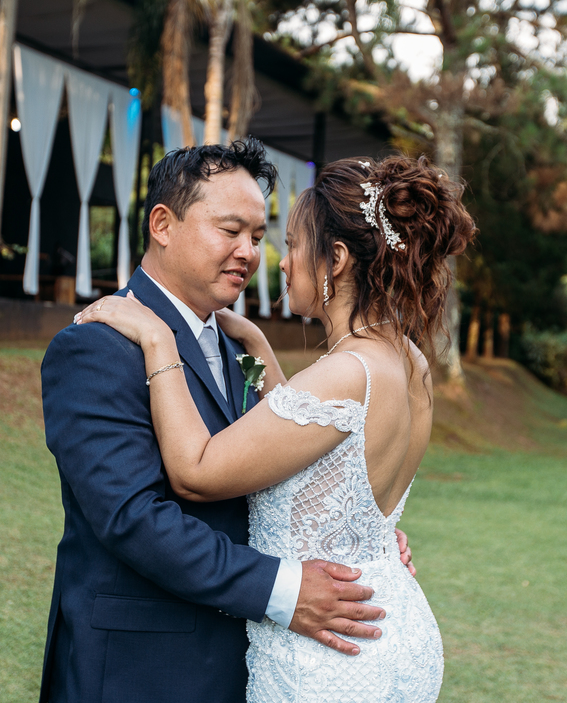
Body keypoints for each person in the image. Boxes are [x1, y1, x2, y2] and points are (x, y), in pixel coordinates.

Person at [79, 153, 477, 702]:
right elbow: (320, 449)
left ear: (334, 259)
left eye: (290, 243)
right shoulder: (412, 364)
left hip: (330, 655)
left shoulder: (343, 373)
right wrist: (260, 348)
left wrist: (157, 342)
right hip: (392, 624)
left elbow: (197, 472)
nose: (279, 261)